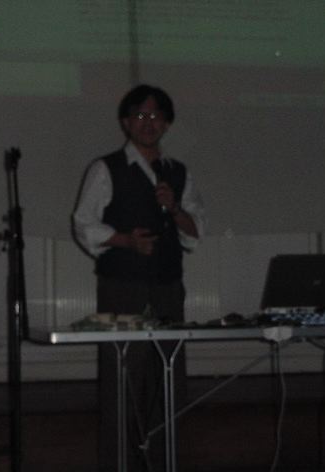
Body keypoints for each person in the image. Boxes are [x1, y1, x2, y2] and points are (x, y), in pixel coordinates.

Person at [72, 84, 205, 472]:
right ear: (126, 123)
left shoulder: (178, 172)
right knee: (123, 379)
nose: (148, 123)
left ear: (167, 124)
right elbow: (83, 224)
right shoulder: (106, 168)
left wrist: (174, 208)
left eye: (156, 116)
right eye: (140, 116)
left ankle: (165, 462)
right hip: (122, 288)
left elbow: (195, 231)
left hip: (168, 288)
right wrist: (126, 240)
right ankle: (120, 464)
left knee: (168, 379)